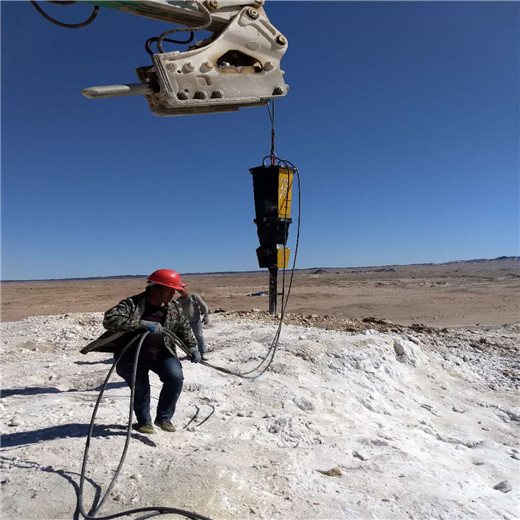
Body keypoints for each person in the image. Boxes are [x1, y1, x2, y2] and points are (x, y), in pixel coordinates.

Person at [81, 269, 200, 435]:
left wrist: (192, 346)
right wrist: (140, 324)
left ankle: (164, 418)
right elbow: (110, 319)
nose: (173, 294)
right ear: (157, 289)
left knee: (175, 377)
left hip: (161, 354)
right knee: (141, 389)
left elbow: (183, 327)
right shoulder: (132, 304)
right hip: (132, 357)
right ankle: (144, 423)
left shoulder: (173, 307)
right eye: (170, 291)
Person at [177, 287, 210, 360]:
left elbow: (203, 305)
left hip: (196, 321)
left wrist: (206, 315)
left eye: (182, 290)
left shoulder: (194, 297)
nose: (182, 292)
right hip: (185, 322)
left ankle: (202, 353)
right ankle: (190, 353)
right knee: (187, 338)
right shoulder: (179, 301)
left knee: (199, 336)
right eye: (180, 291)